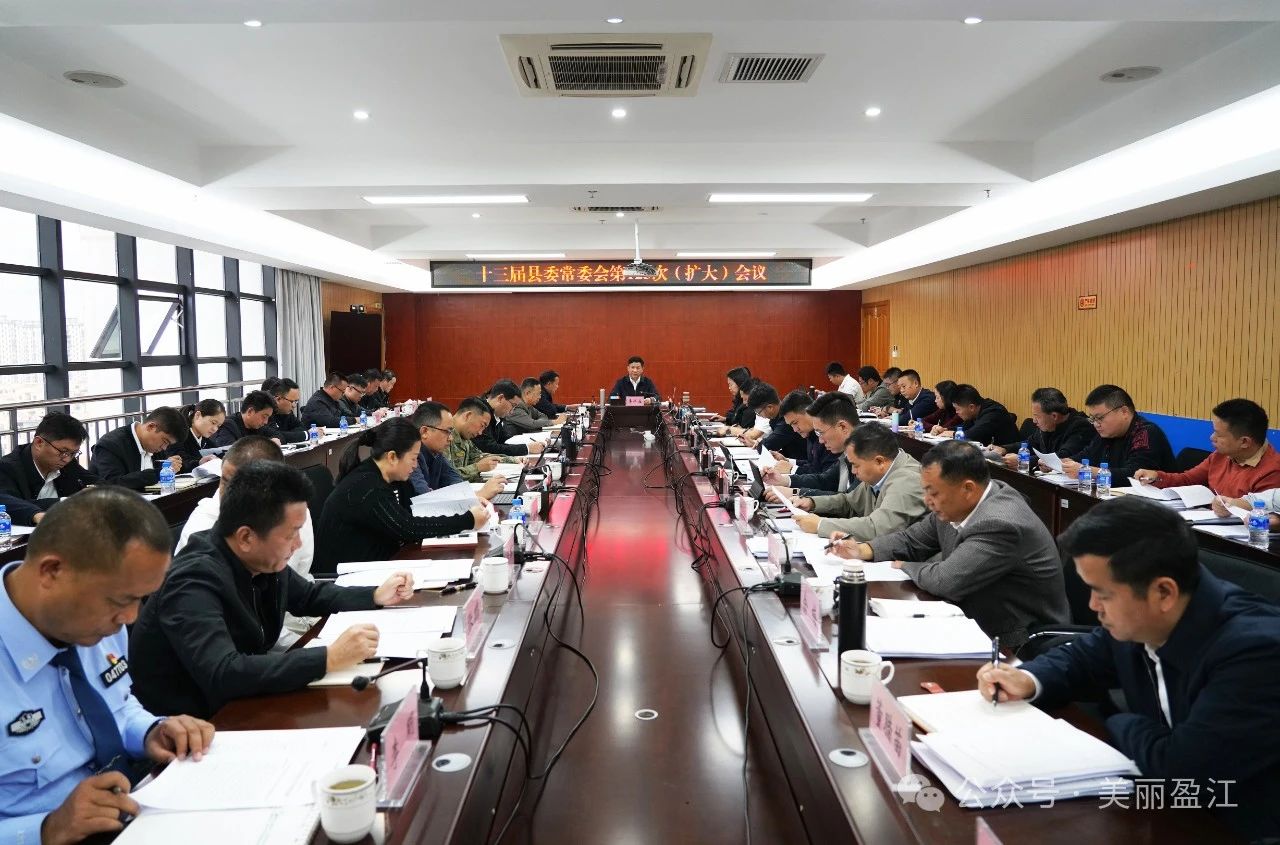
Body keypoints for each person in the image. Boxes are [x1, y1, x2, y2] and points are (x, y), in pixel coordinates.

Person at [975, 497, 1280, 841]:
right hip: (1164, 808)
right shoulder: (1145, 617)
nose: (1093, 606)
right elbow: (1085, 658)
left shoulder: (1256, 652)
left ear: (1163, 592)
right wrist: (1028, 679)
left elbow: (1181, 771)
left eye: (1102, 594)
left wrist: (1118, 721)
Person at [0, 488, 214, 843]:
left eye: (140, 599)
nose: (130, 618)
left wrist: (150, 731)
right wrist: (47, 828)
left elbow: (116, 703)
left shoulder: (94, 623)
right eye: (120, 600)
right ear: (51, 571)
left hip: (135, 809)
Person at [130, 463, 418, 718]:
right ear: (246, 537)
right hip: (195, 726)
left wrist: (374, 595)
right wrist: (328, 658)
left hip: (246, 704)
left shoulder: (261, 558)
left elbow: (308, 596)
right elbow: (223, 672)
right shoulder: (192, 581)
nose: (298, 544)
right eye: (292, 534)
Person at [832, 440, 1069, 647]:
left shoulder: (999, 523)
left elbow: (946, 580)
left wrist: (904, 566)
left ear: (968, 488)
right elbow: (912, 539)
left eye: (933, 493)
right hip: (973, 617)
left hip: (1017, 639)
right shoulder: (958, 502)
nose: (927, 501)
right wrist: (863, 549)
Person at [174, 436, 315, 649]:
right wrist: (318, 653)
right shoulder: (205, 527)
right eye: (225, 481)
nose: (227, 494)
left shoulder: (289, 510)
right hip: (260, 639)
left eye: (240, 485)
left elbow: (299, 586)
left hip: (288, 618)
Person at [313, 419, 489, 576]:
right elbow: (408, 528)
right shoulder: (367, 486)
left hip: (380, 564)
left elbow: (418, 510)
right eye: (413, 459)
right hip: (346, 578)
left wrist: (467, 503)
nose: (415, 465)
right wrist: (468, 520)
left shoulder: (395, 478)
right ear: (392, 457)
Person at [791, 425, 927, 539]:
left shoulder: (908, 480)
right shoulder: (879, 472)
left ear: (879, 461)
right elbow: (850, 503)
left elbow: (878, 529)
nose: (853, 471)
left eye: (855, 465)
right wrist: (812, 503)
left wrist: (821, 525)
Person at [1132, 398, 1280, 499]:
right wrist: (1156, 477)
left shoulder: (1272, 472)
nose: (1212, 437)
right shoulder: (1220, 455)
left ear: (1245, 442)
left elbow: (1264, 518)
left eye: (1219, 434)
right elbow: (1187, 480)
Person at [0, 412, 98, 526]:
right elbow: (8, 502)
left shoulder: (68, 463)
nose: (67, 459)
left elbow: (98, 482)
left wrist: (93, 491)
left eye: (73, 453)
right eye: (63, 451)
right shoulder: (8, 467)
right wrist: (69, 502)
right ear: (39, 443)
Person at [1062, 385, 1175, 483]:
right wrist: (1063, 463)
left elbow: (1135, 475)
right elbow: (1087, 455)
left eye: (1100, 418)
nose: (1096, 424)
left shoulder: (1146, 433)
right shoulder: (1108, 432)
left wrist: (1088, 471)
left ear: (1124, 412)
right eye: (1092, 419)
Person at [766, 392, 859, 497]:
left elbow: (850, 501)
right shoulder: (849, 453)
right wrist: (784, 480)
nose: (820, 441)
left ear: (843, 427)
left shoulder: (866, 454)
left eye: (821, 433)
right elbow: (825, 480)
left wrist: (796, 492)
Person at [990, 387, 1094, 469]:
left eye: (1037, 416)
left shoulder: (1082, 427)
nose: (1034, 421)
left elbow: (1062, 456)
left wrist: (1024, 460)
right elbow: (1031, 444)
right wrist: (1004, 448)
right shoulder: (1048, 424)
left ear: (1054, 416)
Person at [89, 407, 186, 490]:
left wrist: (172, 466)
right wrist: (158, 473)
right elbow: (113, 484)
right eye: (164, 441)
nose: (164, 448)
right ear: (151, 427)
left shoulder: (155, 446)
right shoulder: (110, 445)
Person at [448, 397, 525, 482]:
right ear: (468, 416)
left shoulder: (464, 435)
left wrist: (513, 460)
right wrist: (477, 467)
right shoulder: (444, 437)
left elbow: (478, 456)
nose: (480, 433)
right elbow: (447, 477)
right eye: (482, 425)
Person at [407, 401, 474, 496]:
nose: (451, 438)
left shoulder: (437, 453)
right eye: (447, 432)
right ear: (425, 432)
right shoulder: (409, 455)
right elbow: (423, 496)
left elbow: (456, 481)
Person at [767, 389, 836, 478]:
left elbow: (824, 477)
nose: (795, 430)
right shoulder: (810, 433)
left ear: (808, 412)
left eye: (795, 423)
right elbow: (813, 464)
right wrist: (788, 461)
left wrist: (792, 469)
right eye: (791, 425)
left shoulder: (827, 435)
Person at [933, 384, 1018, 445]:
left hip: (1007, 458)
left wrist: (952, 434)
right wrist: (945, 429)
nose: (956, 412)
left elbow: (973, 434)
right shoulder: (975, 411)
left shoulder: (993, 412)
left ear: (971, 407)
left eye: (957, 409)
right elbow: (965, 427)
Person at [476, 382, 545, 457]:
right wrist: (527, 448)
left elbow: (504, 440)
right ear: (500, 398)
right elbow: (488, 448)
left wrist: (529, 444)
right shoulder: (480, 413)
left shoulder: (497, 415)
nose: (512, 412)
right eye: (513, 405)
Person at [741, 383, 807, 460]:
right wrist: (755, 444)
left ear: (770, 407)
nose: (760, 416)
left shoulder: (786, 419)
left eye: (759, 413)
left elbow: (769, 445)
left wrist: (758, 444)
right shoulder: (775, 418)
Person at [158, 399, 226, 470]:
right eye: (213, 423)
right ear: (198, 415)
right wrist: (199, 463)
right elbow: (180, 462)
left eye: (218, 426)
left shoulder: (206, 441)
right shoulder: (177, 436)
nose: (215, 429)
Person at [208, 390, 279, 448]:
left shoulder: (258, 426)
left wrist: (275, 440)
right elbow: (231, 452)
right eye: (264, 416)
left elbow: (278, 435)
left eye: (268, 417)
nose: (266, 422)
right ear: (250, 412)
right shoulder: (228, 425)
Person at [265, 378, 308, 443]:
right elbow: (275, 435)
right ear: (278, 399)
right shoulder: (265, 411)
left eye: (296, 401)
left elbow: (302, 427)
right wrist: (306, 435)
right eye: (292, 401)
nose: (294, 406)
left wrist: (286, 435)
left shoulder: (286, 411)